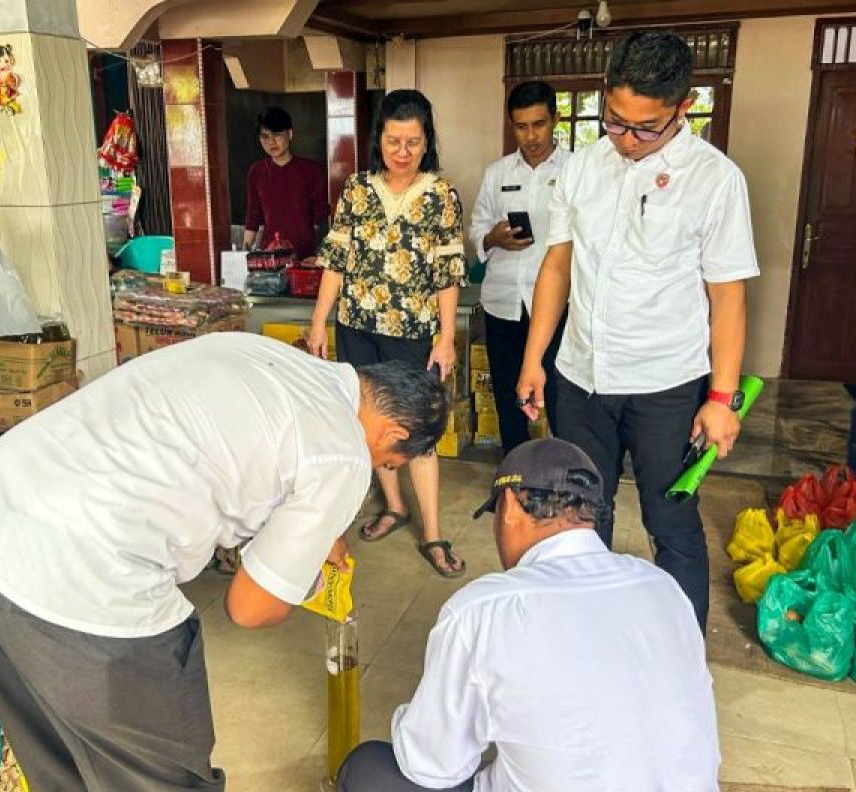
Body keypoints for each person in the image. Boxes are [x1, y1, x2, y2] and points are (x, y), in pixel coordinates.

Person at [0, 332, 450, 792]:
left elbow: (247, 457)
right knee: (166, 783)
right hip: (84, 585)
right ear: (392, 435)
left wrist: (316, 535)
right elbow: (250, 607)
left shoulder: (261, 352)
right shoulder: (343, 454)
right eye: (388, 466)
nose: (377, 472)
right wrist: (306, 577)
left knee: (65, 775)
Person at [516, 31, 759, 628]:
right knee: (580, 517)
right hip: (581, 377)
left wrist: (722, 400)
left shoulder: (715, 180)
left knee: (669, 519)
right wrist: (533, 360)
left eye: (644, 128)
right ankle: (590, 641)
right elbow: (557, 265)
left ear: (682, 107)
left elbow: (727, 295)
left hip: (666, 386)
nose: (625, 139)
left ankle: (678, 654)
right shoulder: (581, 169)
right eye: (615, 121)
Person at [337, 438, 720, 792]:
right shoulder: (662, 586)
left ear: (511, 504)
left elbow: (433, 767)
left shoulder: (482, 609)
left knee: (365, 769)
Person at [310, 89, 468, 578]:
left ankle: (433, 532)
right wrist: (318, 322)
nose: (402, 152)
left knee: (418, 430)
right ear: (378, 138)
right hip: (357, 326)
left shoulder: (440, 195)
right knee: (370, 423)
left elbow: (448, 273)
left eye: (414, 143)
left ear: (427, 143)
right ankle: (395, 507)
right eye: (393, 141)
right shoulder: (356, 190)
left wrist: (445, 337)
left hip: (414, 333)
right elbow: (336, 262)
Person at [468, 81, 569, 454]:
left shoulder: (576, 170)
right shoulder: (497, 174)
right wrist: (493, 238)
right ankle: (514, 471)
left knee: (560, 392)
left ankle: (564, 471)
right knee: (510, 391)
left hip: (559, 306)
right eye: (522, 126)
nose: (531, 136)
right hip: (504, 302)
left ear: (555, 119)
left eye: (539, 124)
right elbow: (477, 228)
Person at [242, 106, 329, 257]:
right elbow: (252, 217)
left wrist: (318, 256)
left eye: (277, 135)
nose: (271, 142)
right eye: (265, 136)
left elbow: (322, 218)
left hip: (305, 257)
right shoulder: (256, 171)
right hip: (270, 256)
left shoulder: (311, 170)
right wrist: (244, 255)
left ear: (290, 134)